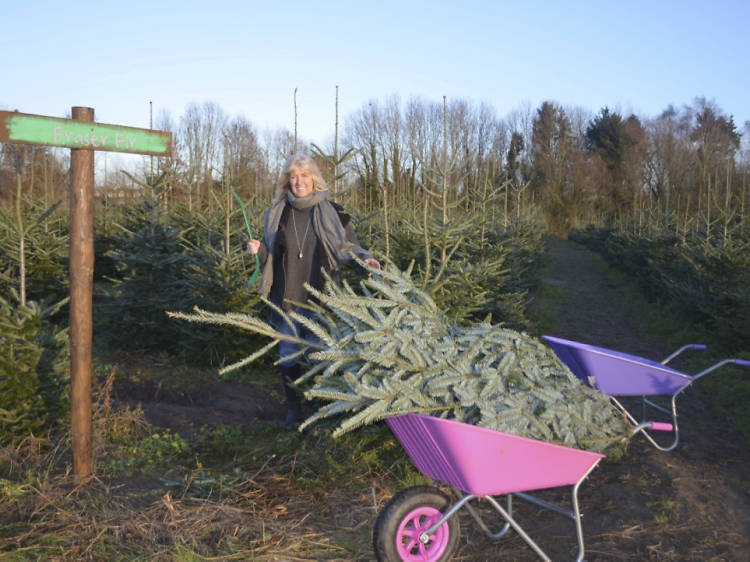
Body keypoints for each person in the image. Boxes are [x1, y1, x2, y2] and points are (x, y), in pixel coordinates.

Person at [247, 153, 380, 426]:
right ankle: (294, 410)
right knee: (288, 357)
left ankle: (320, 412)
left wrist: (365, 258)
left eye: (304, 176)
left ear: (314, 179)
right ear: (287, 181)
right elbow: (269, 257)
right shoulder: (277, 212)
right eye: (293, 177)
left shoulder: (333, 213)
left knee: (320, 358)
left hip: (321, 300)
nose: (299, 182)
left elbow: (346, 248)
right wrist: (258, 250)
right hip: (285, 299)